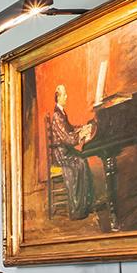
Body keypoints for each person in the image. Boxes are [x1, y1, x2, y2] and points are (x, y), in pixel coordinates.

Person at [46, 84, 96, 220]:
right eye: (64, 95)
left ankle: (86, 204)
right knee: (79, 163)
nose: (66, 97)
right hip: (61, 154)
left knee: (83, 159)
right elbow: (67, 138)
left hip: (65, 151)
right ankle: (78, 209)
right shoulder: (57, 115)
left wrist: (81, 128)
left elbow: (69, 129)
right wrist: (80, 135)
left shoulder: (61, 112)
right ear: (58, 97)